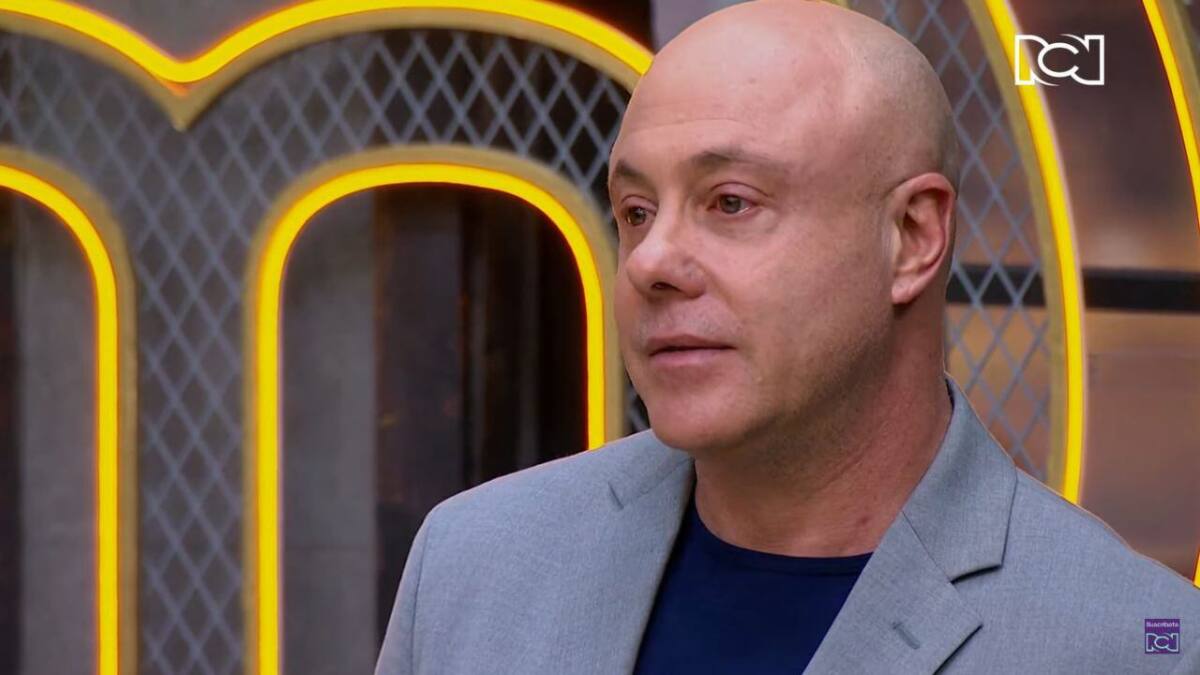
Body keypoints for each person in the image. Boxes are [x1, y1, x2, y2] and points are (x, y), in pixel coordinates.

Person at [375, 1, 1200, 672]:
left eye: (730, 202)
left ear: (913, 237)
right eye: (636, 211)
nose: (650, 261)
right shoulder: (473, 563)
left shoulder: (1135, 643)